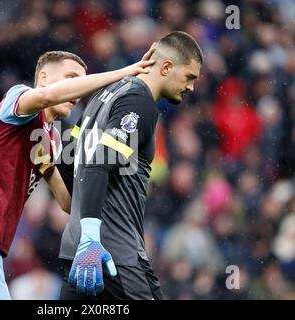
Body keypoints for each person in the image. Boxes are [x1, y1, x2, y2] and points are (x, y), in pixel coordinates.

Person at [0, 50, 155, 300]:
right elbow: (48, 96)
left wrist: (101, 180)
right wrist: (123, 74)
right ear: (45, 77)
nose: (77, 92)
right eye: (71, 78)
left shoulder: (51, 139)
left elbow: (66, 201)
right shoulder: (18, 99)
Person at [59, 31, 203, 300]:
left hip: (77, 254)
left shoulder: (104, 94)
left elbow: (68, 160)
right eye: (189, 77)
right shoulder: (140, 103)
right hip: (115, 257)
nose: (191, 87)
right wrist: (92, 235)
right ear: (167, 67)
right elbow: (97, 164)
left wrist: (82, 229)